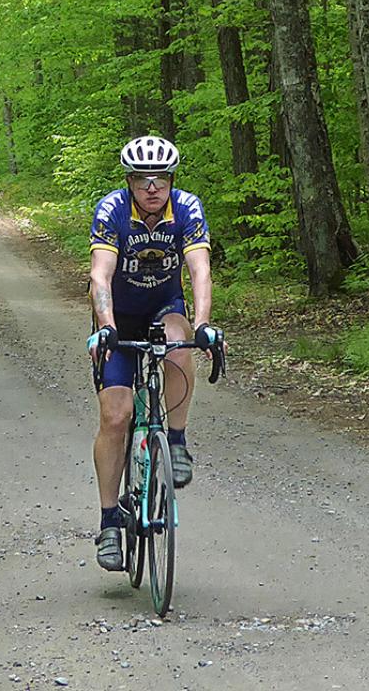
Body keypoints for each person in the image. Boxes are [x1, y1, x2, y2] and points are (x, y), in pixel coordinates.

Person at [86, 135, 223, 571]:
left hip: (164, 305)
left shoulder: (187, 208)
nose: (151, 187)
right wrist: (106, 329)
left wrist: (203, 324)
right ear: (129, 181)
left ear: (171, 179)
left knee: (180, 341)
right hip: (119, 318)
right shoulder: (111, 211)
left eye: (160, 178)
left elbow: (200, 269)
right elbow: (100, 276)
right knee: (116, 416)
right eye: (143, 179)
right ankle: (110, 520)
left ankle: (177, 440)